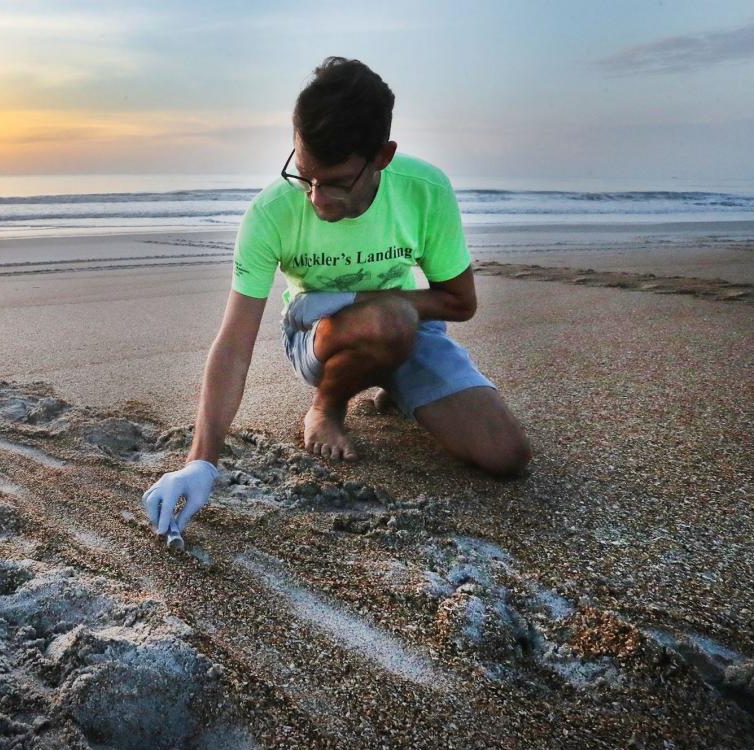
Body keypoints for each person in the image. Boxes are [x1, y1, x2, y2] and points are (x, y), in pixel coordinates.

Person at [142, 57, 531, 539]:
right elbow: (234, 344)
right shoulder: (270, 214)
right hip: (315, 338)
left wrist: (352, 296)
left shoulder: (425, 191)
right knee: (386, 323)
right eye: (305, 176)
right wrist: (200, 463)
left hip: (405, 325)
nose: (317, 200)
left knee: (506, 456)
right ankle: (327, 407)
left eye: (336, 183)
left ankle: (395, 376)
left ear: (382, 158)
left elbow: (459, 302)